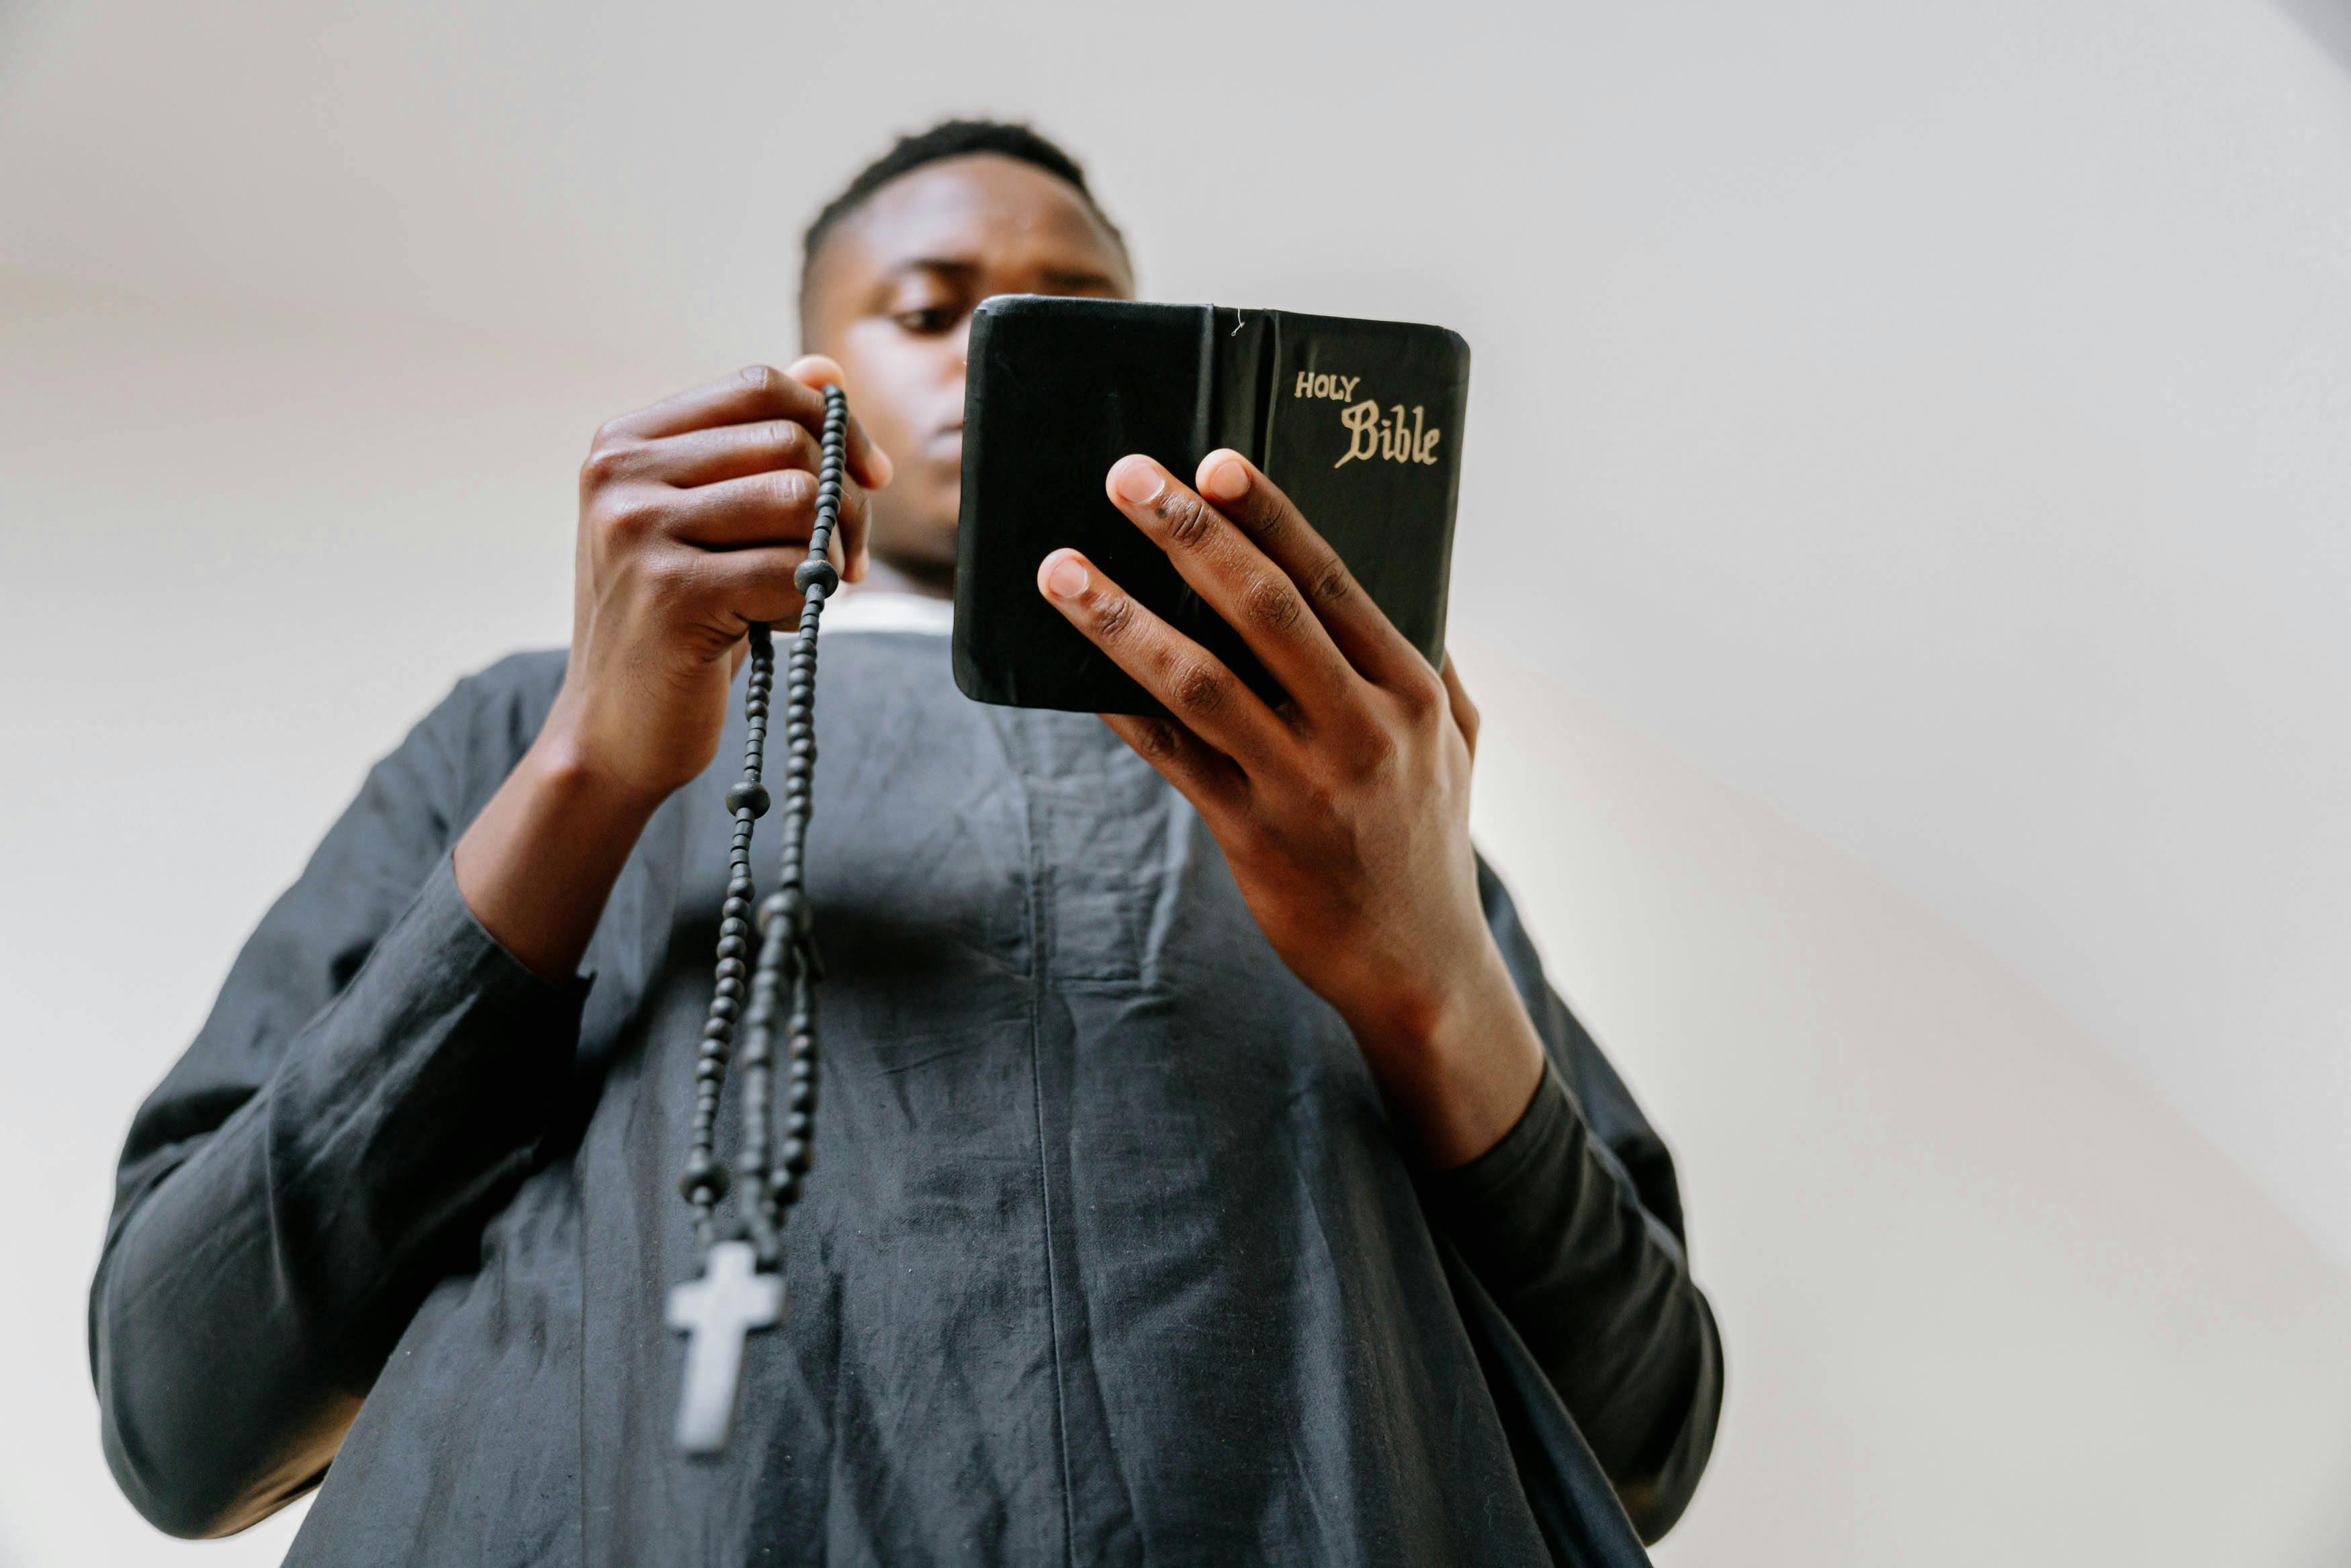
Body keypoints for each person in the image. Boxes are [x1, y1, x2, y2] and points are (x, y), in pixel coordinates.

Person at [90, 120, 1722, 1565]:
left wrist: (1427, 958)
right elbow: (187, 1404)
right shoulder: (524, 722)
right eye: (932, 311)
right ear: (818, 377)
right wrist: (587, 768)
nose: (994, 356)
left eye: (1080, 319)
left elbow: (1638, 1436)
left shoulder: (1351, 784)